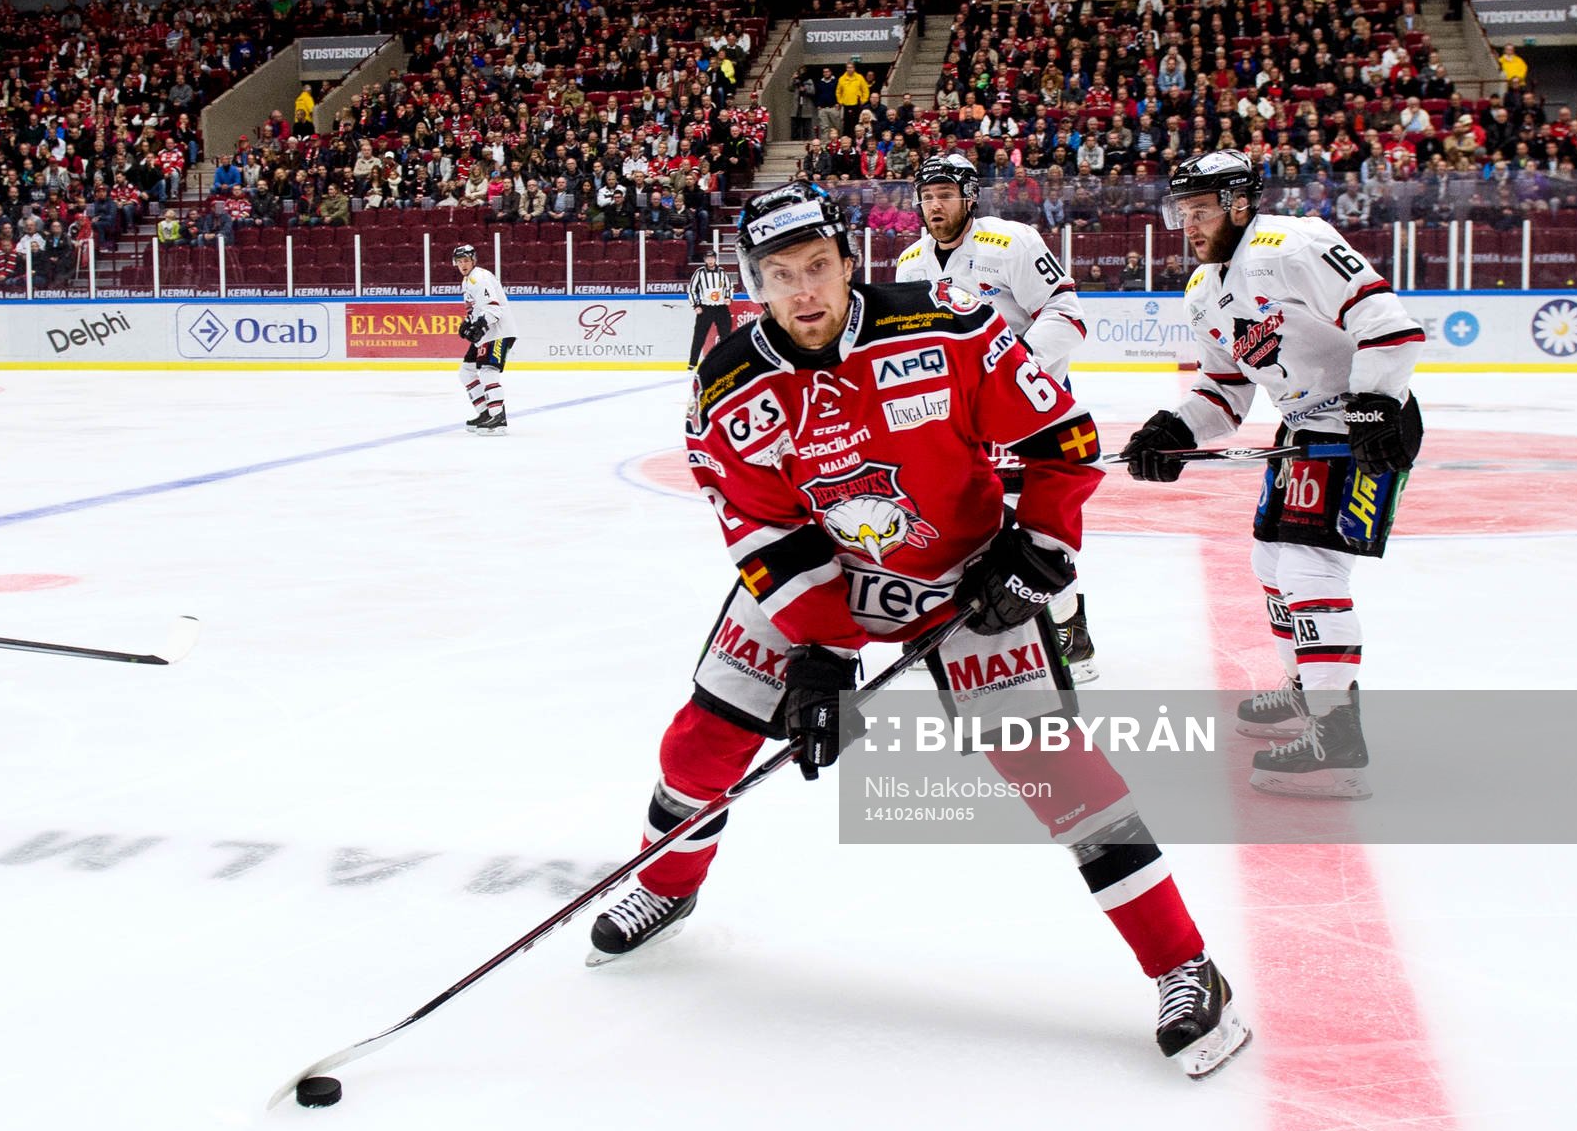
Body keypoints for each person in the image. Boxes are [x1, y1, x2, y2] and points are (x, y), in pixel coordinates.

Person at [587, 183, 1251, 1080]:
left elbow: (1062, 438)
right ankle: (666, 886)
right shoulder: (730, 384)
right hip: (817, 581)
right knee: (703, 741)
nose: (805, 292)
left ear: (849, 260)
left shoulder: (948, 325)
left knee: (1061, 777)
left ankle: (1185, 967)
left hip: (961, 576)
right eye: (780, 277)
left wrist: (1039, 550)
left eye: (818, 267)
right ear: (755, 285)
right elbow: (764, 534)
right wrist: (822, 657)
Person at [1121, 150, 1424, 799]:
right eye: (1184, 212)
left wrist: (1375, 407)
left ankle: (1338, 737)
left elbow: (1388, 324)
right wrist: (1173, 433)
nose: (1190, 224)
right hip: (1304, 434)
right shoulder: (1204, 293)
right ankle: (1306, 691)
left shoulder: (1294, 244)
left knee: (1312, 571)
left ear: (1238, 203)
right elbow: (1224, 394)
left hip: (1363, 428)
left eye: (1201, 210)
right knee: (1270, 563)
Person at [894, 154, 1101, 682]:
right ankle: (953, 630)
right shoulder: (911, 263)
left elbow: (1066, 314)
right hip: (955, 418)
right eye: (926, 196)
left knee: (1034, 526)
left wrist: (1010, 373)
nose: (934, 205)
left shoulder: (1011, 242)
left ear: (969, 196)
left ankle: (1070, 630)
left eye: (945, 194)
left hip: (1025, 408)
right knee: (956, 520)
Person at [452, 244, 516, 435]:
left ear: (473, 261)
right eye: (459, 261)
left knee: (488, 371)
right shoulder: (467, 281)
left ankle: (498, 418)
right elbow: (477, 308)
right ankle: (486, 412)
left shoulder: (479, 277)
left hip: (499, 331)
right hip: (488, 332)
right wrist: (468, 322)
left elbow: (494, 309)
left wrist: (479, 326)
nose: (463, 264)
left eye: (466, 260)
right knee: (466, 372)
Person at [686, 248, 736, 370]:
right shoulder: (699, 272)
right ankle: (692, 364)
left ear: (715, 259)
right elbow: (691, 289)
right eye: (708, 258)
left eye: (712, 258)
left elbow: (729, 286)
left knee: (726, 336)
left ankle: (727, 362)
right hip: (705, 308)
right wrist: (696, 305)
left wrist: (728, 298)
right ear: (705, 260)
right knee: (699, 337)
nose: (710, 260)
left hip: (721, 308)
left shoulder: (722, 272)